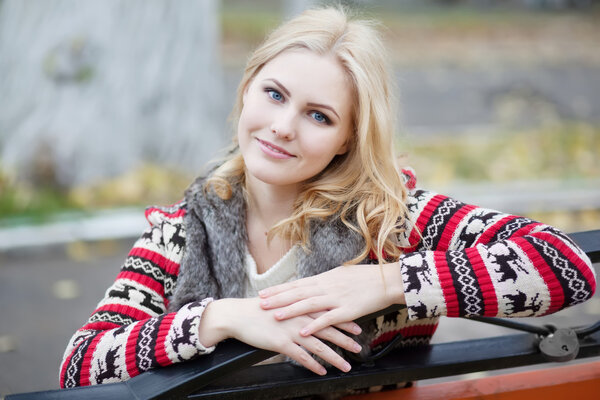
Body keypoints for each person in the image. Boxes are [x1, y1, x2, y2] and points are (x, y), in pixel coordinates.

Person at [60, 6, 596, 388]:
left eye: (320, 116)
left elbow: (564, 264)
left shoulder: (392, 221)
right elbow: (80, 364)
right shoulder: (184, 229)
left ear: (349, 138)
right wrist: (217, 319)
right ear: (247, 89)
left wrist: (386, 281)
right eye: (274, 94)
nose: (283, 127)